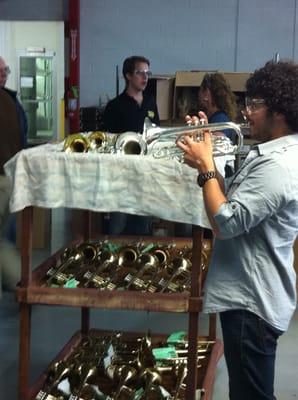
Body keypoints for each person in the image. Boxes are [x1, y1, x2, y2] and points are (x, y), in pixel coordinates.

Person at [177, 60, 298, 400]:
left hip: (251, 301)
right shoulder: (277, 154)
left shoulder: (277, 165)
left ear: (281, 111)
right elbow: (234, 196)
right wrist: (209, 150)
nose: (247, 112)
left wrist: (205, 168)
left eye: (256, 104)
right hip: (254, 294)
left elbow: (225, 222)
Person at [102, 55, 160, 236]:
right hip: (122, 175)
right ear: (127, 75)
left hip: (145, 173)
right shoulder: (114, 106)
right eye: (140, 73)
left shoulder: (151, 102)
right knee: (118, 226)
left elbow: (156, 132)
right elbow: (109, 142)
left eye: (147, 73)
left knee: (143, 225)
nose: (145, 77)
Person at [0, 56, 27, 296]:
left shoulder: (8, 101)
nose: (4, 74)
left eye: (5, 70)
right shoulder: (10, 101)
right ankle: (19, 282)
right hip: (8, 178)